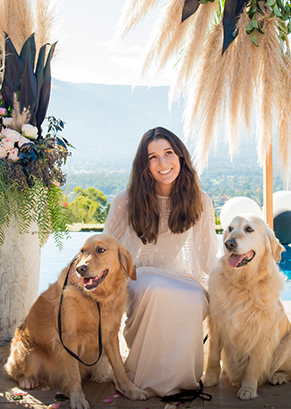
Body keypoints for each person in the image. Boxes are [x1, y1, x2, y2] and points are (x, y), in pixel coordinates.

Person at [103, 127, 220, 397]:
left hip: (184, 279)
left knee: (194, 298)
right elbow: (104, 250)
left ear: (180, 156)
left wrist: (239, 277)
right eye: (153, 157)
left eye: (168, 153)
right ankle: (141, 379)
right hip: (139, 278)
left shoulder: (201, 201)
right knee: (154, 287)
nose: (163, 163)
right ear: (144, 165)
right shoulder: (126, 200)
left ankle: (184, 383)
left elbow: (206, 261)